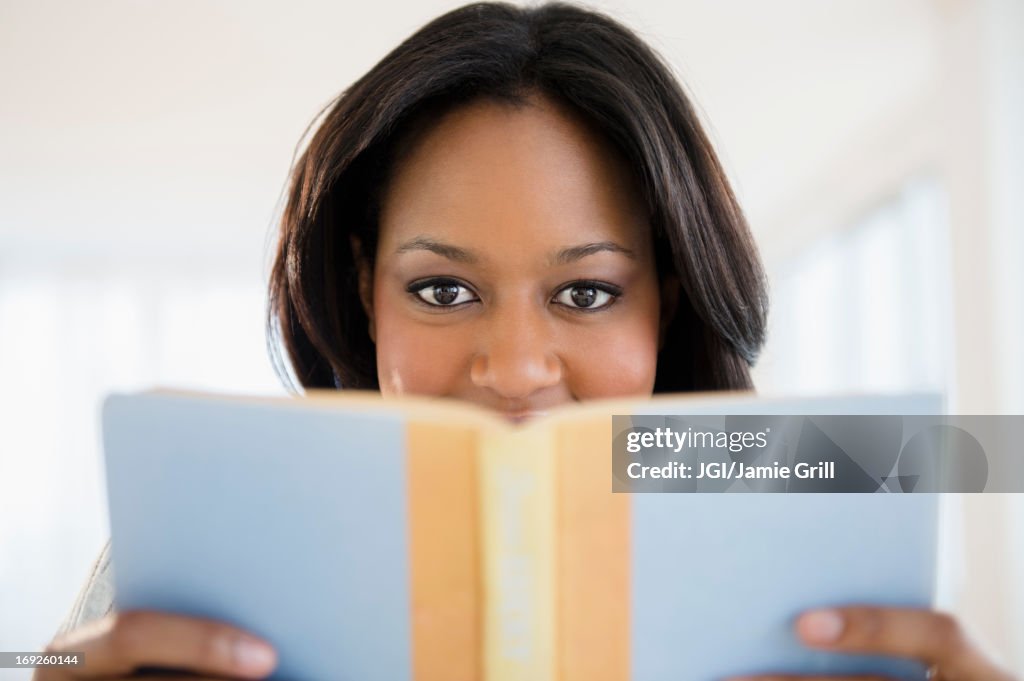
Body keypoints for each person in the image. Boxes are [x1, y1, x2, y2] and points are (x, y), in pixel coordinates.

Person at [38, 3, 1015, 680]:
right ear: (362, 292)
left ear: (665, 305)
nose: (512, 370)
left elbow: (987, 455)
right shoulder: (201, 550)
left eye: (585, 292)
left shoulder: (806, 516)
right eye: (443, 289)